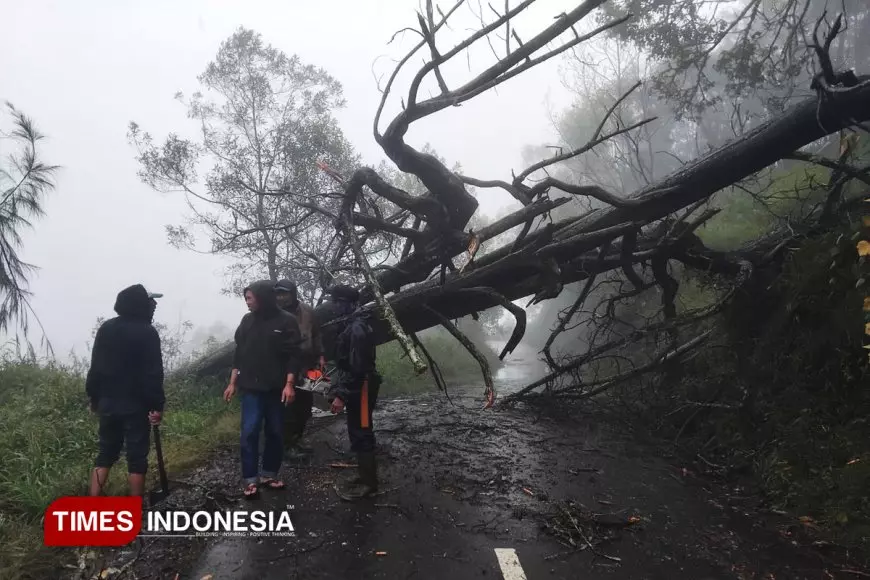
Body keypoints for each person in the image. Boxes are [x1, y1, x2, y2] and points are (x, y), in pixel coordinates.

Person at [223, 280, 303, 499]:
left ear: (263, 298)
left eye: (250, 298)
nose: (247, 302)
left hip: (276, 388)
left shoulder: (286, 321)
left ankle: (269, 474)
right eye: (246, 298)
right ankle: (250, 479)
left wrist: (289, 384)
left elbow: (293, 356)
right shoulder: (247, 321)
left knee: (276, 432)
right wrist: (232, 383)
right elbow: (239, 354)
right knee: (249, 432)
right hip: (251, 388)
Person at [86, 284, 165, 498]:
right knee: (137, 457)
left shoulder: (106, 328)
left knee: (105, 453)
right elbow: (153, 374)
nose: (154, 305)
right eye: (150, 302)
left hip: (108, 403)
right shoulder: (147, 332)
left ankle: (92, 503)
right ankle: (135, 507)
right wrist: (157, 406)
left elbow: (96, 367)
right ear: (141, 305)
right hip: (136, 406)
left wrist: (93, 397)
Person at [325, 284, 382, 501]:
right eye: (334, 302)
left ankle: (369, 485)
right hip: (358, 385)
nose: (334, 307)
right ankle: (364, 477)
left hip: (363, 386)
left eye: (338, 303)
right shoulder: (351, 324)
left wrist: (341, 395)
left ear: (350, 304)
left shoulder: (358, 327)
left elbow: (357, 367)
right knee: (356, 429)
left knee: (362, 431)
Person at [274, 279, 326, 461]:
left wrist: (320, 355)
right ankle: (287, 446)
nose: (281, 297)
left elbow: (317, 334)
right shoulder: (273, 314)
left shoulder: (307, 311)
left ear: (293, 293)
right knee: (288, 406)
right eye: (278, 293)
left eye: (285, 293)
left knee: (305, 407)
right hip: (284, 366)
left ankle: (297, 439)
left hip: (307, 365)